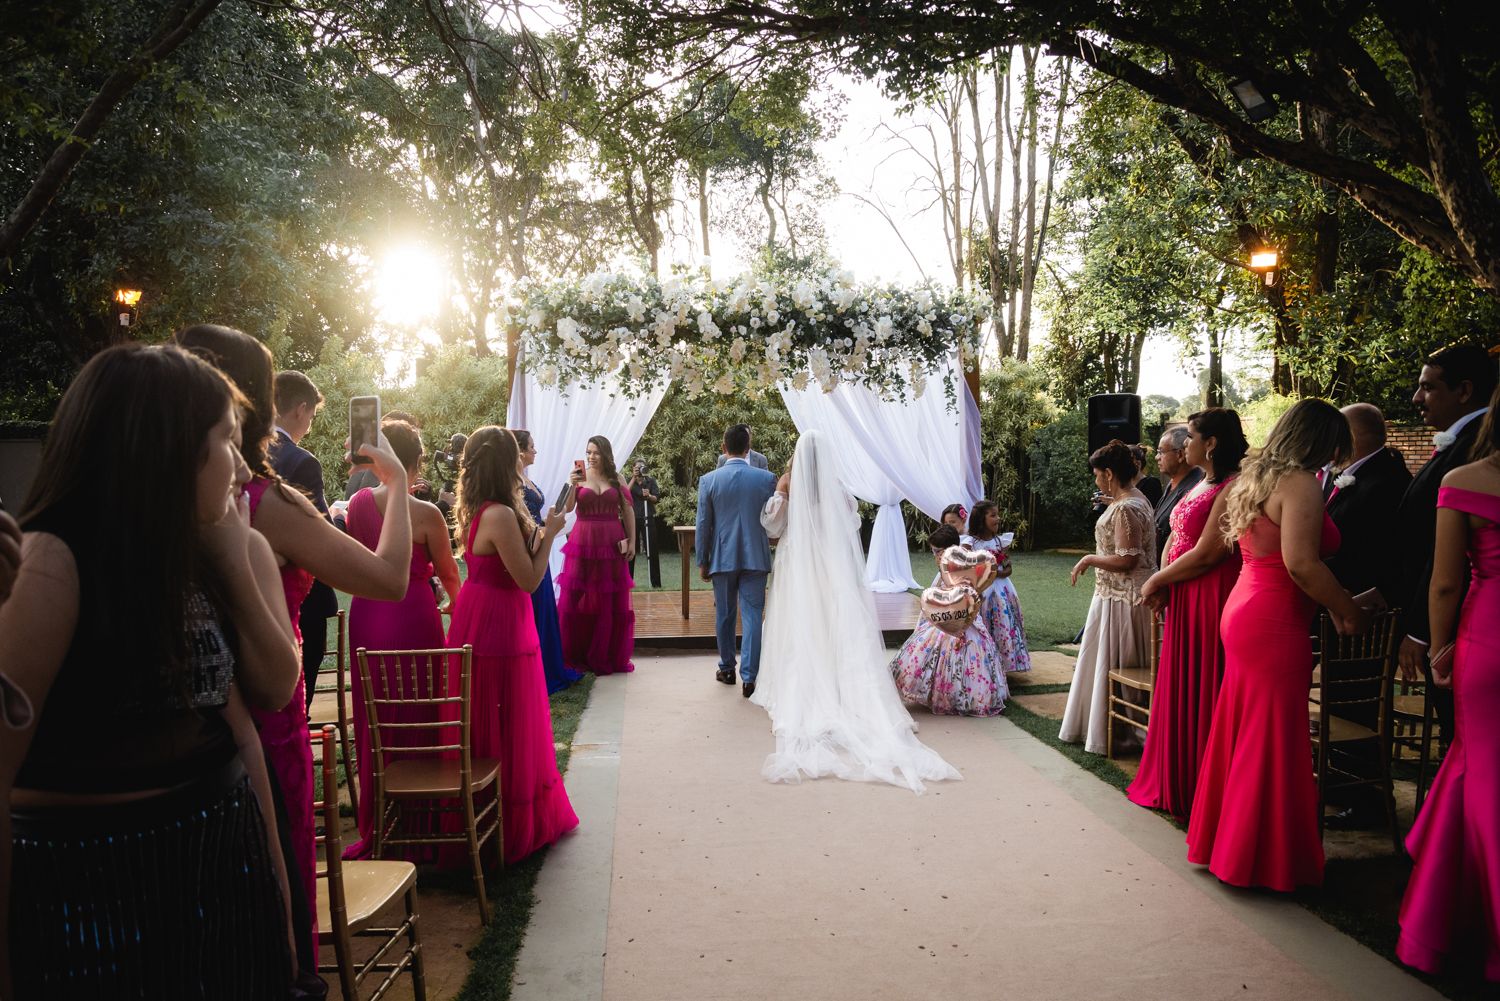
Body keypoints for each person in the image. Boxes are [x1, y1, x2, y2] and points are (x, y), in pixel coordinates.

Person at [0, 344, 300, 998]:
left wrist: (276, 903)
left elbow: (254, 717)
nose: (241, 463)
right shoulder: (55, 562)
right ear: (170, 448)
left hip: (219, 872)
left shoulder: (193, 550)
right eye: (227, 439)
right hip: (99, 893)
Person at [176, 323, 413, 989]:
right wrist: (396, 483)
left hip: (183, 735)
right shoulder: (263, 503)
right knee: (274, 898)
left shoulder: (153, 499)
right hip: (267, 718)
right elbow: (388, 577)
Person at [1186, 400, 1366, 891]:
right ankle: (1258, 859)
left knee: (1247, 730)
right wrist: (1347, 608)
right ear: (1322, 440)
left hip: (1245, 609)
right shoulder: (1300, 483)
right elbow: (1301, 564)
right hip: (1274, 621)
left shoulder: (1256, 478)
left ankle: (1231, 846)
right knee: (1273, 736)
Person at [752, 429, 960, 792]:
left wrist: (783, 498)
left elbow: (773, 525)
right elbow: (852, 523)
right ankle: (838, 684)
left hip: (799, 564)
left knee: (802, 623)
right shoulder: (837, 486)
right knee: (833, 621)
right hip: (831, 566)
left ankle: (806, 684)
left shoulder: (788, 481)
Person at [1397, 387, 1500, 981]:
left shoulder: (1465, 479)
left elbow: (1444, 583)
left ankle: (1456, 923)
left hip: (1487, 640)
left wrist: (1439, 649)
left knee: (1480, 772)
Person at [447, 427, 578, 863]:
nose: (523, 461)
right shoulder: (500, 513)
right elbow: (529, 579)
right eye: (516, 456)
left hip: (480, 612)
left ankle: (486, 813)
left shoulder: (482, 508)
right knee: (507, 713)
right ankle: (506, 820)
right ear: (505, 461)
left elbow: (515, 557)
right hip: (500, 621)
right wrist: (552, 535)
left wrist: (545, 527)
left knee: (489, 712)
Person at [344, 419, 461, 860]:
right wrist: (458, 607)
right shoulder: (427, 514)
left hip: (367, 614)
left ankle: (382, 818)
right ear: (416, 461)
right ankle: (425, 817)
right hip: (413, 614)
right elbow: (450, 575)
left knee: (376, 715)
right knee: (421, 709)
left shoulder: (358, 504)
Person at [1129, 408, 1247, 818]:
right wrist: (1165, 580)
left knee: (1204, 682)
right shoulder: (1202, 483)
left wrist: (1157, 581)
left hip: (1211, 594)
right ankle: (1176, 775)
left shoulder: (1233, 486)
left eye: (1191, 437)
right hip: (1184, 593)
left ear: (1210, 443)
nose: (1185, 446)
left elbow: (1210, 552)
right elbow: (1177, 535)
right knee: (1181, 681)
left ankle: (1201, 782)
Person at [1395, 346, 1496, 752]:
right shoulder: (1463, 444)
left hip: (1464, 628)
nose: (1417, 398)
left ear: (1464, 391)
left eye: (1428, 388)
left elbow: (1442, 561)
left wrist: (1423, 634)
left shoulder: (1478, 452)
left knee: (1468, 740)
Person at [1059, 442, 1158, 754]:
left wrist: (1089, 559)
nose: (1096, 480)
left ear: (1110, 474)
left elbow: (1128, 559)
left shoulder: (1126, 507)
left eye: (1097, 474)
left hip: (1123, 598)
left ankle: (1122, 731)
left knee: (1118, 660)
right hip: (1116, 594)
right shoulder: (1134, 498)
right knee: (1105, 658)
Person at [270, 370, 341, 712]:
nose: (309, 425)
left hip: (252, 588)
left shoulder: (243, 452)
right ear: (300, 409)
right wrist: (338, 518)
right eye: (311, 417)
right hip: (299, 595)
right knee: (298, 696)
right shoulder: (301, 461)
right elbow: (319, 534)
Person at [890, 525, 1007, 716]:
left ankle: (963, 696)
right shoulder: (943, 573)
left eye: (938, 552)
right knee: (933, 654)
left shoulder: (965, 572)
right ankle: (938, 692)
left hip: (967, 623)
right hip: (943, 622)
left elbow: (977, 596)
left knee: (967, 660)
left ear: (949, 551)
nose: (935, 556)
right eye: (933, 552)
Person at [697, 424, 778, 695]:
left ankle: (727, 668)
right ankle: (750, 678)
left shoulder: (709, 480)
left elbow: (703, 524)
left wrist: (702, 560)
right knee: (753, 615)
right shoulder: (766, 478)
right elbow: (772, 518)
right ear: (748, 448)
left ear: (724, 447)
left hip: (722, 556)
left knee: (725, 613)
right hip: (756, 554)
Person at [558, 435, 637, 675]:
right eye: (588, 452)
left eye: (596, 452)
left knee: (609, 598)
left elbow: (628, 510)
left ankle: (605, 653)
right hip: (583, 541)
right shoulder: (579, 476)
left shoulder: (617, 478)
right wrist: (571, 485)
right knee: (574, 596)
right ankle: (570, 651)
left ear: (605, 454)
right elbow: (567, 508)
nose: (591, 457)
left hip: (611, 542)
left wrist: (632, 541)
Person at [514, 430, 583, 695]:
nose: (535, 451)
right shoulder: (512, 481)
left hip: (540, 538)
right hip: (530, 543)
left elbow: (543, 513)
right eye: (532, 446)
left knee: (543, 604)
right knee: (535, 606)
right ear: (520, 451)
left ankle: (549, 663)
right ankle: (537, 668)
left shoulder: (525, 477)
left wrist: (569, 487)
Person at [1325, 403, 1412, 601]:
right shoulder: (1343, 474)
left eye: (1335, 432)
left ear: (1352, 436)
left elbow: (1377, 552)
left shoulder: (1388, 482)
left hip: (1359, 599)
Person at [966, 500, 1031, 673]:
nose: (998, 518)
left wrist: (996, 572)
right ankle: (983, 660)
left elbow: (1008, 568)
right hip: (982, 589)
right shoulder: (971, 543)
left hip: (1002, 589)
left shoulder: (999, 542)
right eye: (993, 515)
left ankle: (1004, 662)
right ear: (981, 519)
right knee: (984, 620)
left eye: (997, 515)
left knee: (1003, 620)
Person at [1152, 426, 1205, 566]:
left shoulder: (1195, 487)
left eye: (1161, 452)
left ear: (1180, 454)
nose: (1157, 457)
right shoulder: (1173, 482)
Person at [628, 459, 663, 588]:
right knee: (630, 550)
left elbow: (656, 498)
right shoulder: (629, 480)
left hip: (648, 516)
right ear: (633, 468)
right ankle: (628, 582)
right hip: (632, 518)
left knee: (652, 549)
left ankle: (656, 583)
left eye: (642, 467)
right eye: (637, 467)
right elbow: (624, 493)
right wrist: (633, 478)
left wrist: (649, 496)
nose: (640, 470)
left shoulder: (650, 481)